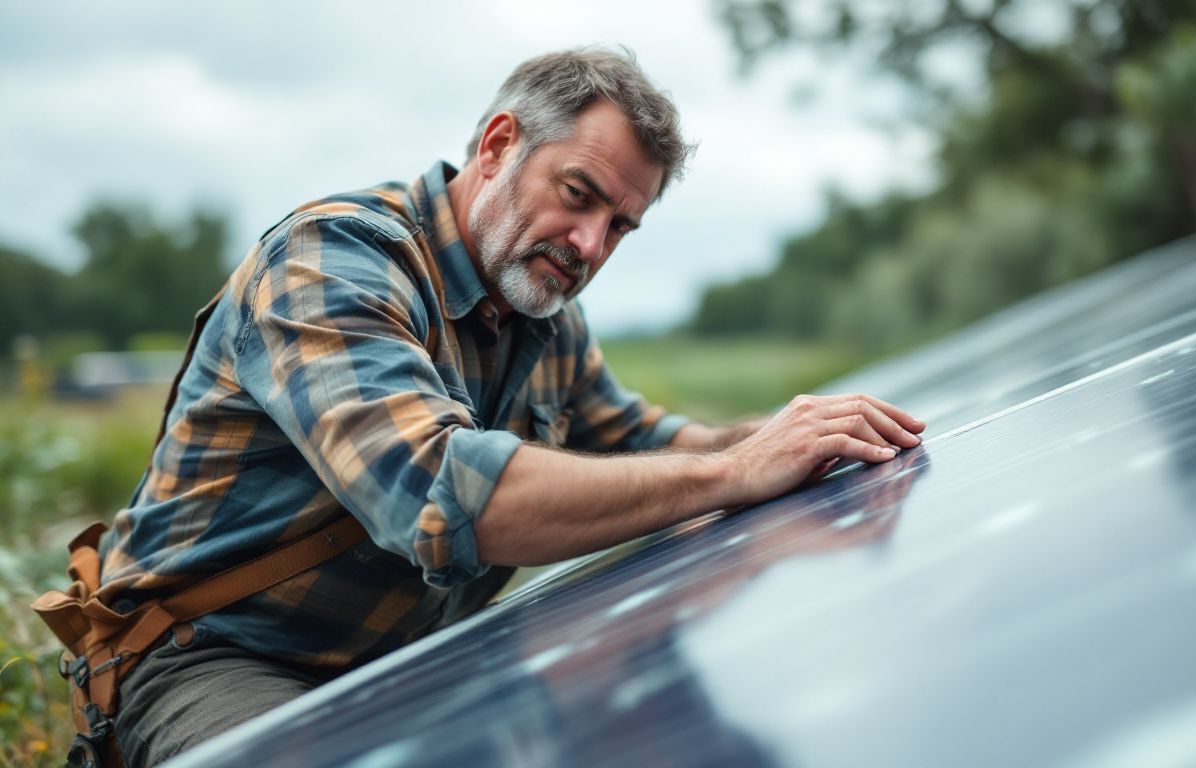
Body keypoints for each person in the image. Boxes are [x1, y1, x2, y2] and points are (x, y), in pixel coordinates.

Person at [98, 47, 925, 764]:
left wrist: (796, 438)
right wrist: (736, 471)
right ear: (498, 146)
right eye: (578, 193)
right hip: (213, 656)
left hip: (402, 660)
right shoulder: (332, 261)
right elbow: (447, 492)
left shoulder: (545, 321)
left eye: (620, 226)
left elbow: (655, 442)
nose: (591, 244)